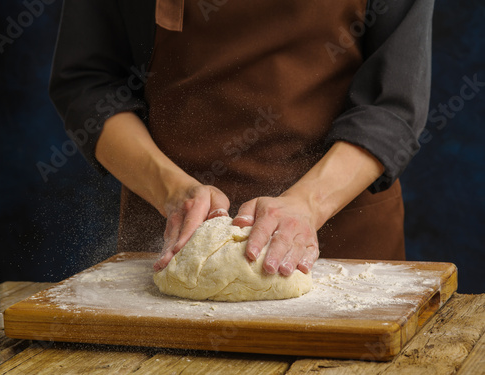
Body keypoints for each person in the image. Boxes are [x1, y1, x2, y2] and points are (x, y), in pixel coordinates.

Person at [49, 0, 434, 277]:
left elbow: (393, 105)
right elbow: (88, 84)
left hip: (343, 236)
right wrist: (170, 190)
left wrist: (307, 206)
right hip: (171, 234)